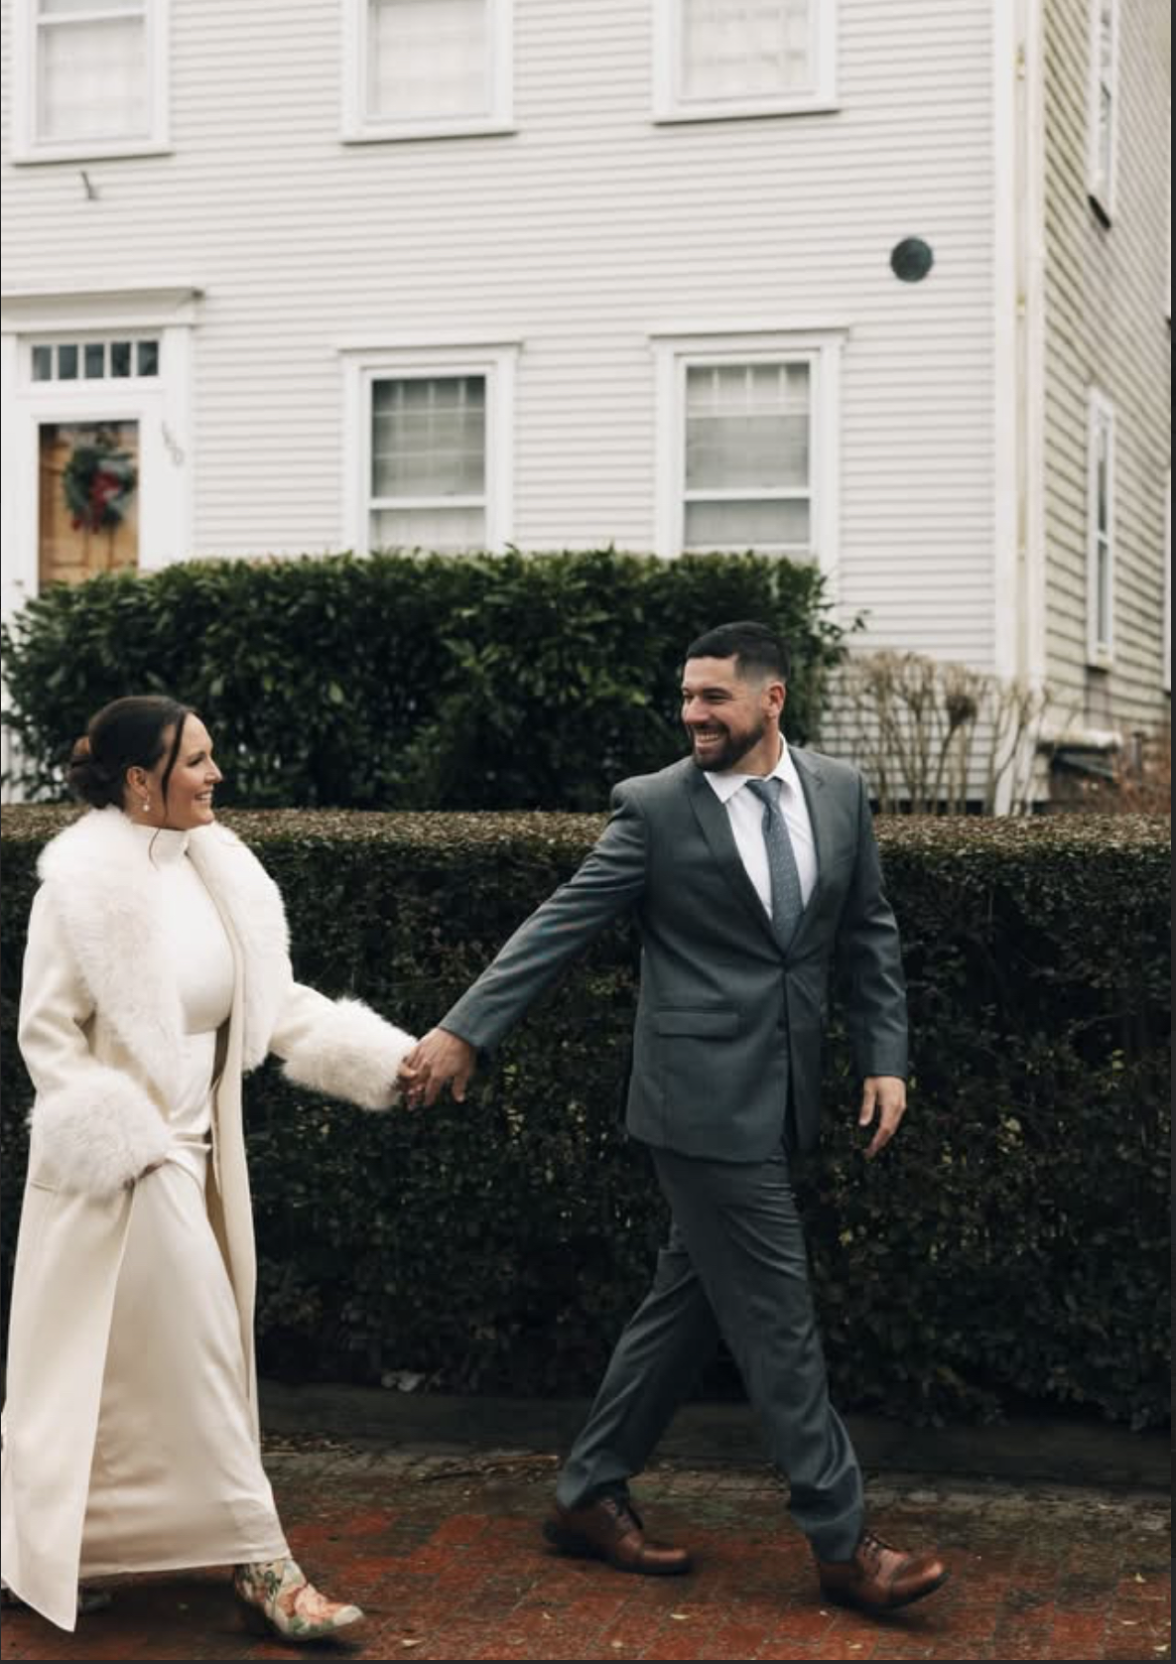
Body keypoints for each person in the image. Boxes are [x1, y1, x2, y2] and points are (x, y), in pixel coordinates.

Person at [403, 621, 948, 1616]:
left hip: (786, 1091)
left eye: (713, 697)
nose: (693, 713)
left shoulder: (839, 790)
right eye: (687, 696)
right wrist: (464, 1029)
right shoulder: (655, 808)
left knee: (686, 1303)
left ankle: (586, 1493)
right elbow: (560, 922)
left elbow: (867, 928)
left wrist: (885, 1056)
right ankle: (843, 1543)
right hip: (696, 1103)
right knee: (778, 1320)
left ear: (772, 698)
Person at [1, 695, 415, 1639]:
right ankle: (264, 1563)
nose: (215, 773)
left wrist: (391, 1061)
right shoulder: (78, 887)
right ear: (140, 780)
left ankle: (47, 1546)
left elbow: (274, 1004)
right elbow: (46, 1035)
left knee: (121, 1374)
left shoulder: (221, 868)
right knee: (206, 1356)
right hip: (123, 1172)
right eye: (195, 759)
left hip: (202, 1159)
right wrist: (128, 1148)